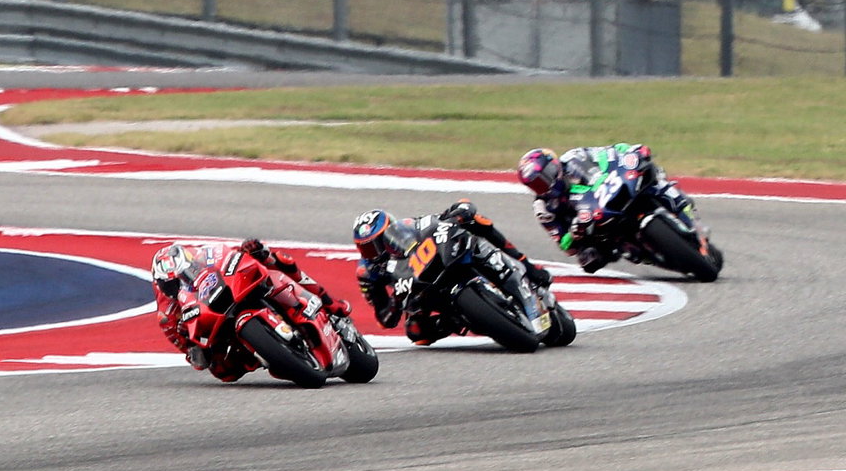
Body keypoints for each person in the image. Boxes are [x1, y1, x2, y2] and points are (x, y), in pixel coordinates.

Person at [351, 201, 551, 345]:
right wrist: (396, 299)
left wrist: (458, 213)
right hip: (423, 290)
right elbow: (384, 320)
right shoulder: (368, 273)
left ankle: (526, 266)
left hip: (449, 260)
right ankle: (461, 320)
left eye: (378, 243)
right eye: (366, 248)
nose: (375, 252)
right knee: (416, 332)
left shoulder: (415, 226)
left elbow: (450, 214)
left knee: (476, 222)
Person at [151, 238, 350, 381]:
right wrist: (191, 342)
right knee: (223, 371)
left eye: (182, 275)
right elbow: (197, 361)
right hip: (218, 324)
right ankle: (268, 355)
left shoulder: (206, 255)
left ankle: (330, 303)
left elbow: (229, 255)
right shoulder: (168, 316)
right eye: (171, 284)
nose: (179, 284)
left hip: (236, 291)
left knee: (276, 260)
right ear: (161, 286)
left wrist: (251, 249)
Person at [517, 143, 700, 273]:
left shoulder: (575, 158)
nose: (544, 185)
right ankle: (644, 252)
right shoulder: (543, 208)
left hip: (615, 190)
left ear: (554, 165)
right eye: (536, 185)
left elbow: (609, 153)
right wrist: (573, 234)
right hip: (598, 226)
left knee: (654, 177)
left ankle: (687, 215)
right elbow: (564, 245)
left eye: (545, 177)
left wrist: (628, 150)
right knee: (589, 260)